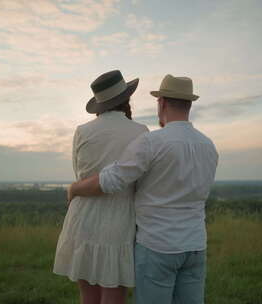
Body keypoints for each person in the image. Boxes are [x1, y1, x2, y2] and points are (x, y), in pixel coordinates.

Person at [67, 74, 219, 304]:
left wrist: (75, 189)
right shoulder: (209, 146)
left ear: (162, 103)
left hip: (157, 245)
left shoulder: (152, 142)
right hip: (195, 244)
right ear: (189, 104)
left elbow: (113, 179)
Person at [53, 70, 149, 304]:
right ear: (126, 98)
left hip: (82, 219)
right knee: (114, 298)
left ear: (99, 103)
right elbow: (141, 181)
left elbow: (79, 174)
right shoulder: (141, 132)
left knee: (88, 298)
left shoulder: (82, 131)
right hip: (118, 223)